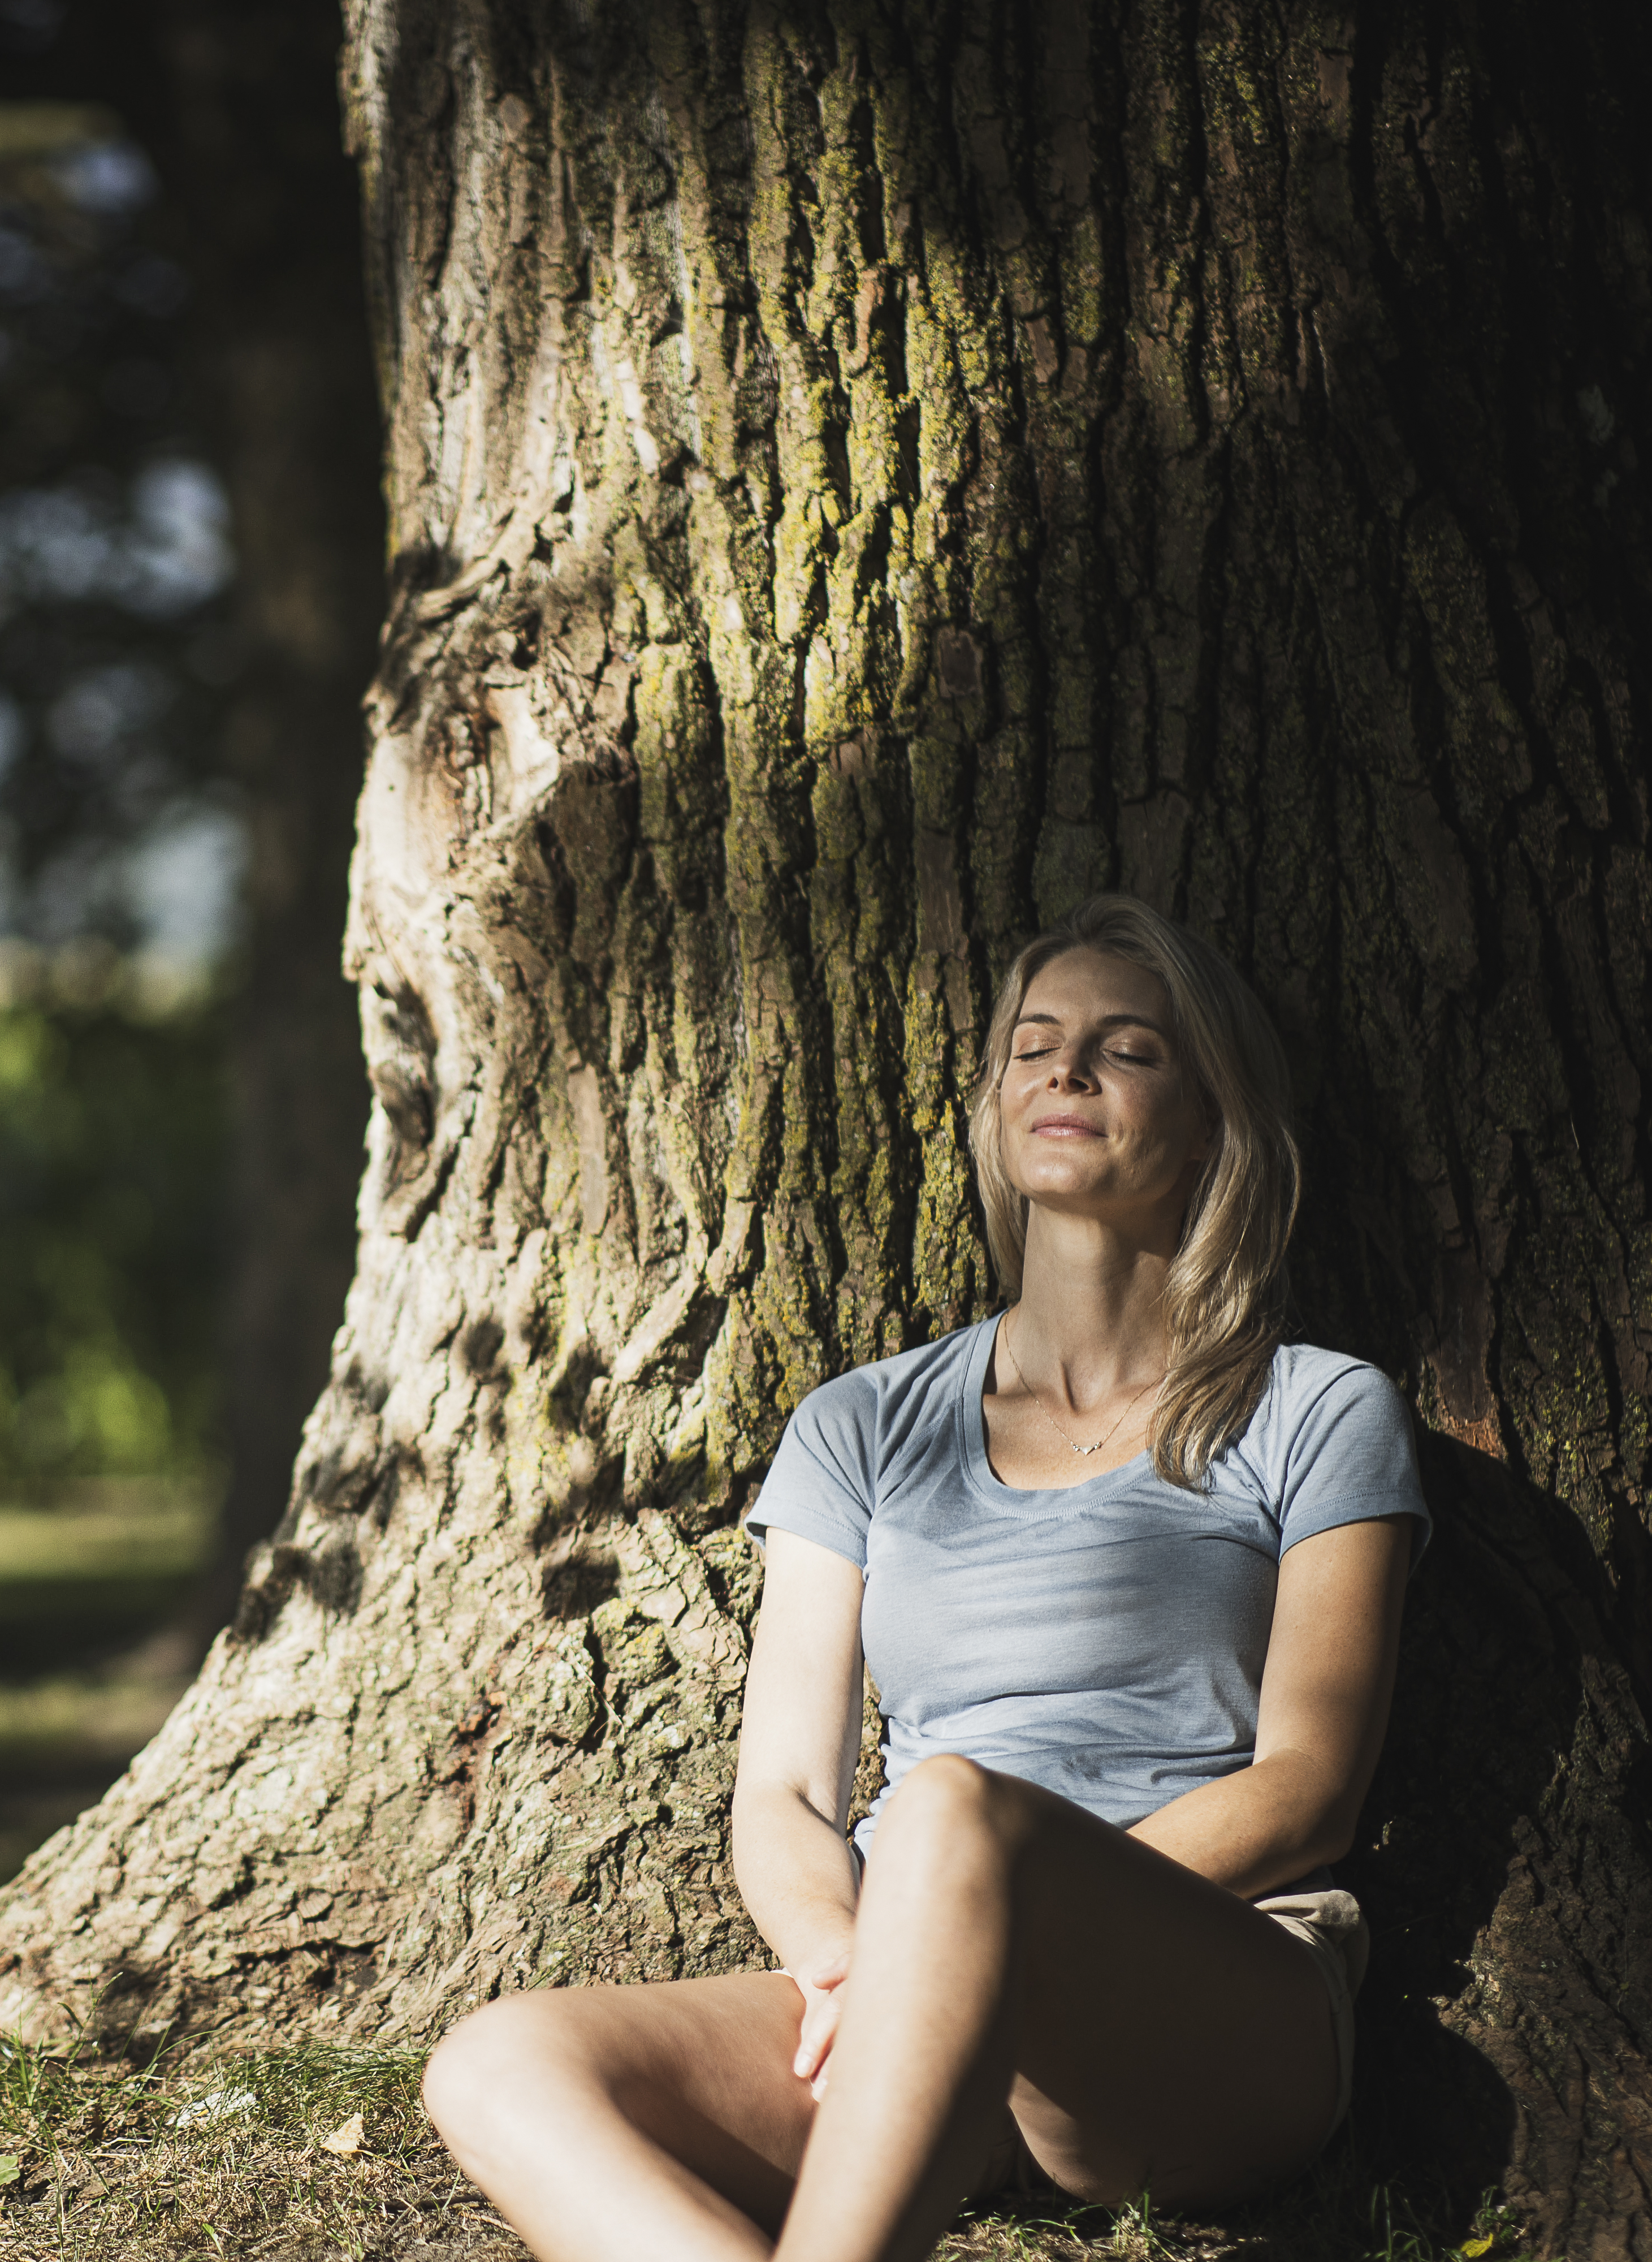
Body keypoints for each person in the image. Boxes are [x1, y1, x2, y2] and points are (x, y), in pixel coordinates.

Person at [422, 893, 1429, 2262]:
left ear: (1213, 1117)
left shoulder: (1316, 1407)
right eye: (1037, 1042)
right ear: (997, 1102)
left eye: (1129, 1049)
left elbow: (1310, 1784)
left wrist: (989, 1921)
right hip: (902, 1993)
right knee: (500, 2062)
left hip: (1208, 1997)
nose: (1067, 1071)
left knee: (957, 1812)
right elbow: (782, 1791)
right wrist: (870, 1965)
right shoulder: (863, 1422)